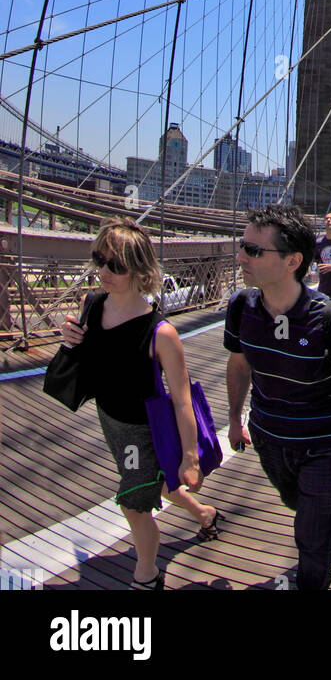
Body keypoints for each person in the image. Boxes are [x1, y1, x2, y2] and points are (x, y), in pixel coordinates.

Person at [225, 205, 331, 591]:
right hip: (268, 437)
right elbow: (239, 367)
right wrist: (233, 419)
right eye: (243, 246)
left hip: (324, 445)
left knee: (311, 539)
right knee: (301, 507)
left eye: (254, 251)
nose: (241, 257)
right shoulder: (241, 307)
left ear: (293, 261)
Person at [60, 217, 219, 590]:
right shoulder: (92, 304)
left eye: (116, 265)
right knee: (152, 482)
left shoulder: (161, 333)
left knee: (134, 501)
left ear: (141, 269)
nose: (104, 271)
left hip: (140, 429)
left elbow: (181, 400)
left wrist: (190, 459)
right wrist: (71, 338)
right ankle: (205, 513)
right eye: (100, 259)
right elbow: (89, 355)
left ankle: (146, 575)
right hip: (109, 418)